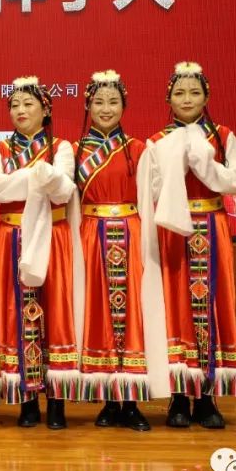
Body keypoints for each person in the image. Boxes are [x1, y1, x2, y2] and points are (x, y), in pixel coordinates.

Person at [142, 61, 236, 429]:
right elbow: (152, 188)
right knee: (175, 308)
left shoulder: (222, 136)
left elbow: (234, 181)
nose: (186, 99)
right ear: (168, 99)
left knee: (212, 306)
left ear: (206, 97)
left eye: (194, 92)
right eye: (179, 93)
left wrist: (203, 162)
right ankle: (178, 397)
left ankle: (206, 397)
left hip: (211, 226)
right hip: (174, 229)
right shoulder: (156, 142)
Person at [0, 76, 81, 429]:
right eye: (15, 105)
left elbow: (64, 191)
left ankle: (57, 401)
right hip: (12, 236)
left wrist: (23, 181)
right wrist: (39, 177)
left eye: (29, 104)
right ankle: (26, 400)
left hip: (53, 236)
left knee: (55, 313)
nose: (20, 110)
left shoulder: (62, 148)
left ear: (45, 109)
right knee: (14, 314)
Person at [71, 70, 169, 432]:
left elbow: (152, 194)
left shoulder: (139, 149)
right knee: (97, 314)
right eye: (98, 102)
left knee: (133, 316)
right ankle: (108, 399)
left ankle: (132, 401)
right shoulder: (75, 151)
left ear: (124, 106)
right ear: (87, 106)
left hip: (130, 234)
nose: (106, 108)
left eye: (113, 102)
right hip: (91, 236)